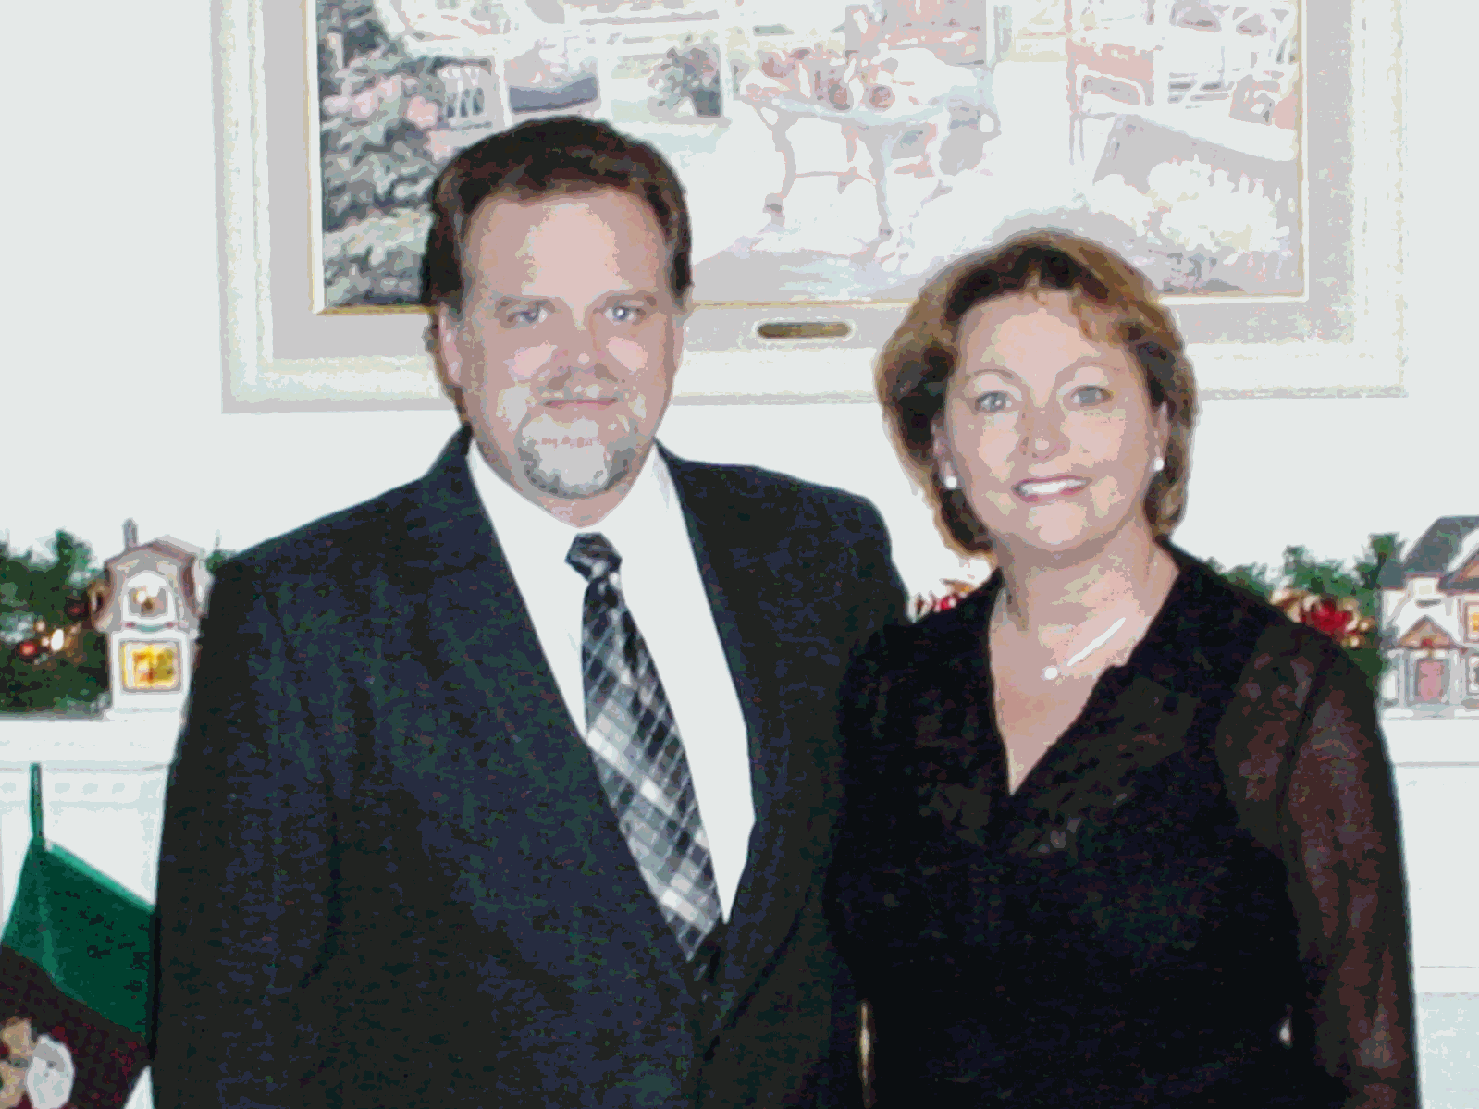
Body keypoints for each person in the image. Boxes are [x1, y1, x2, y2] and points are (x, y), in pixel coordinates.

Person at [152, 117, 904, 1108]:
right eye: (528, 315)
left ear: (676, 330)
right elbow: (225, 1037)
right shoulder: (301, 615)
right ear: (451, 342)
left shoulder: (823, 557)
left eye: (623, 310)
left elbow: (910, 917)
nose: (581, 360)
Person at [825, 231, 1417, 1107]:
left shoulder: (1281, 694)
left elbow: (1368, 1068)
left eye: (1087, 393)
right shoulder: (890, 685)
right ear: (941, 447)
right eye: (993, 400)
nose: (1041, 438)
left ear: (1160, 425)